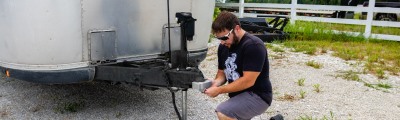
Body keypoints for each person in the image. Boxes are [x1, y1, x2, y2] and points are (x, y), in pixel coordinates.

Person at [204, 11, 273, 120]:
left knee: (224, 112)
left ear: (237, 29)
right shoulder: (224, 47)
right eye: (219, 39)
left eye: (224, 37)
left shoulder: (253, 45)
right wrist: (215, 83)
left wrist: (219, 90)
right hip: (239, 95)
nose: (222, 42)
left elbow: (248, 81)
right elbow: (222, 74)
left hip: (258, 96)